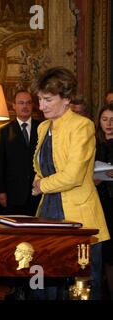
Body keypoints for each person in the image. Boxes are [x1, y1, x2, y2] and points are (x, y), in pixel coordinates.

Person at [31, 66, 110, 300]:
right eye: (39, 99)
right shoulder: (44, 127)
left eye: (47, 99)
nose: (41, 106)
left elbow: (74, 176)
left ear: (66, 99)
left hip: (80, 220)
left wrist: (41, 186)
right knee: (45, 281)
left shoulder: (82, 126)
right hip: (47, 214)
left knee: (81, 286)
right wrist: (38, 179)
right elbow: (39, 167)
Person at [0, 89, 41, 215]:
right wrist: (0, 191)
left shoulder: (43, 128)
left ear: (32, 105)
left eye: (28, 103)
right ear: (14, 106)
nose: (25, 106)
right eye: (21, 103)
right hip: (12, 194)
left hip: (38, 192)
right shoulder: (3, 132)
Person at [94, 104, 113, 299]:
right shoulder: (93, 144)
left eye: (112, 120)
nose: (109, 124)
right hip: (100, 202)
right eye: (105, 119)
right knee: (105, 252)